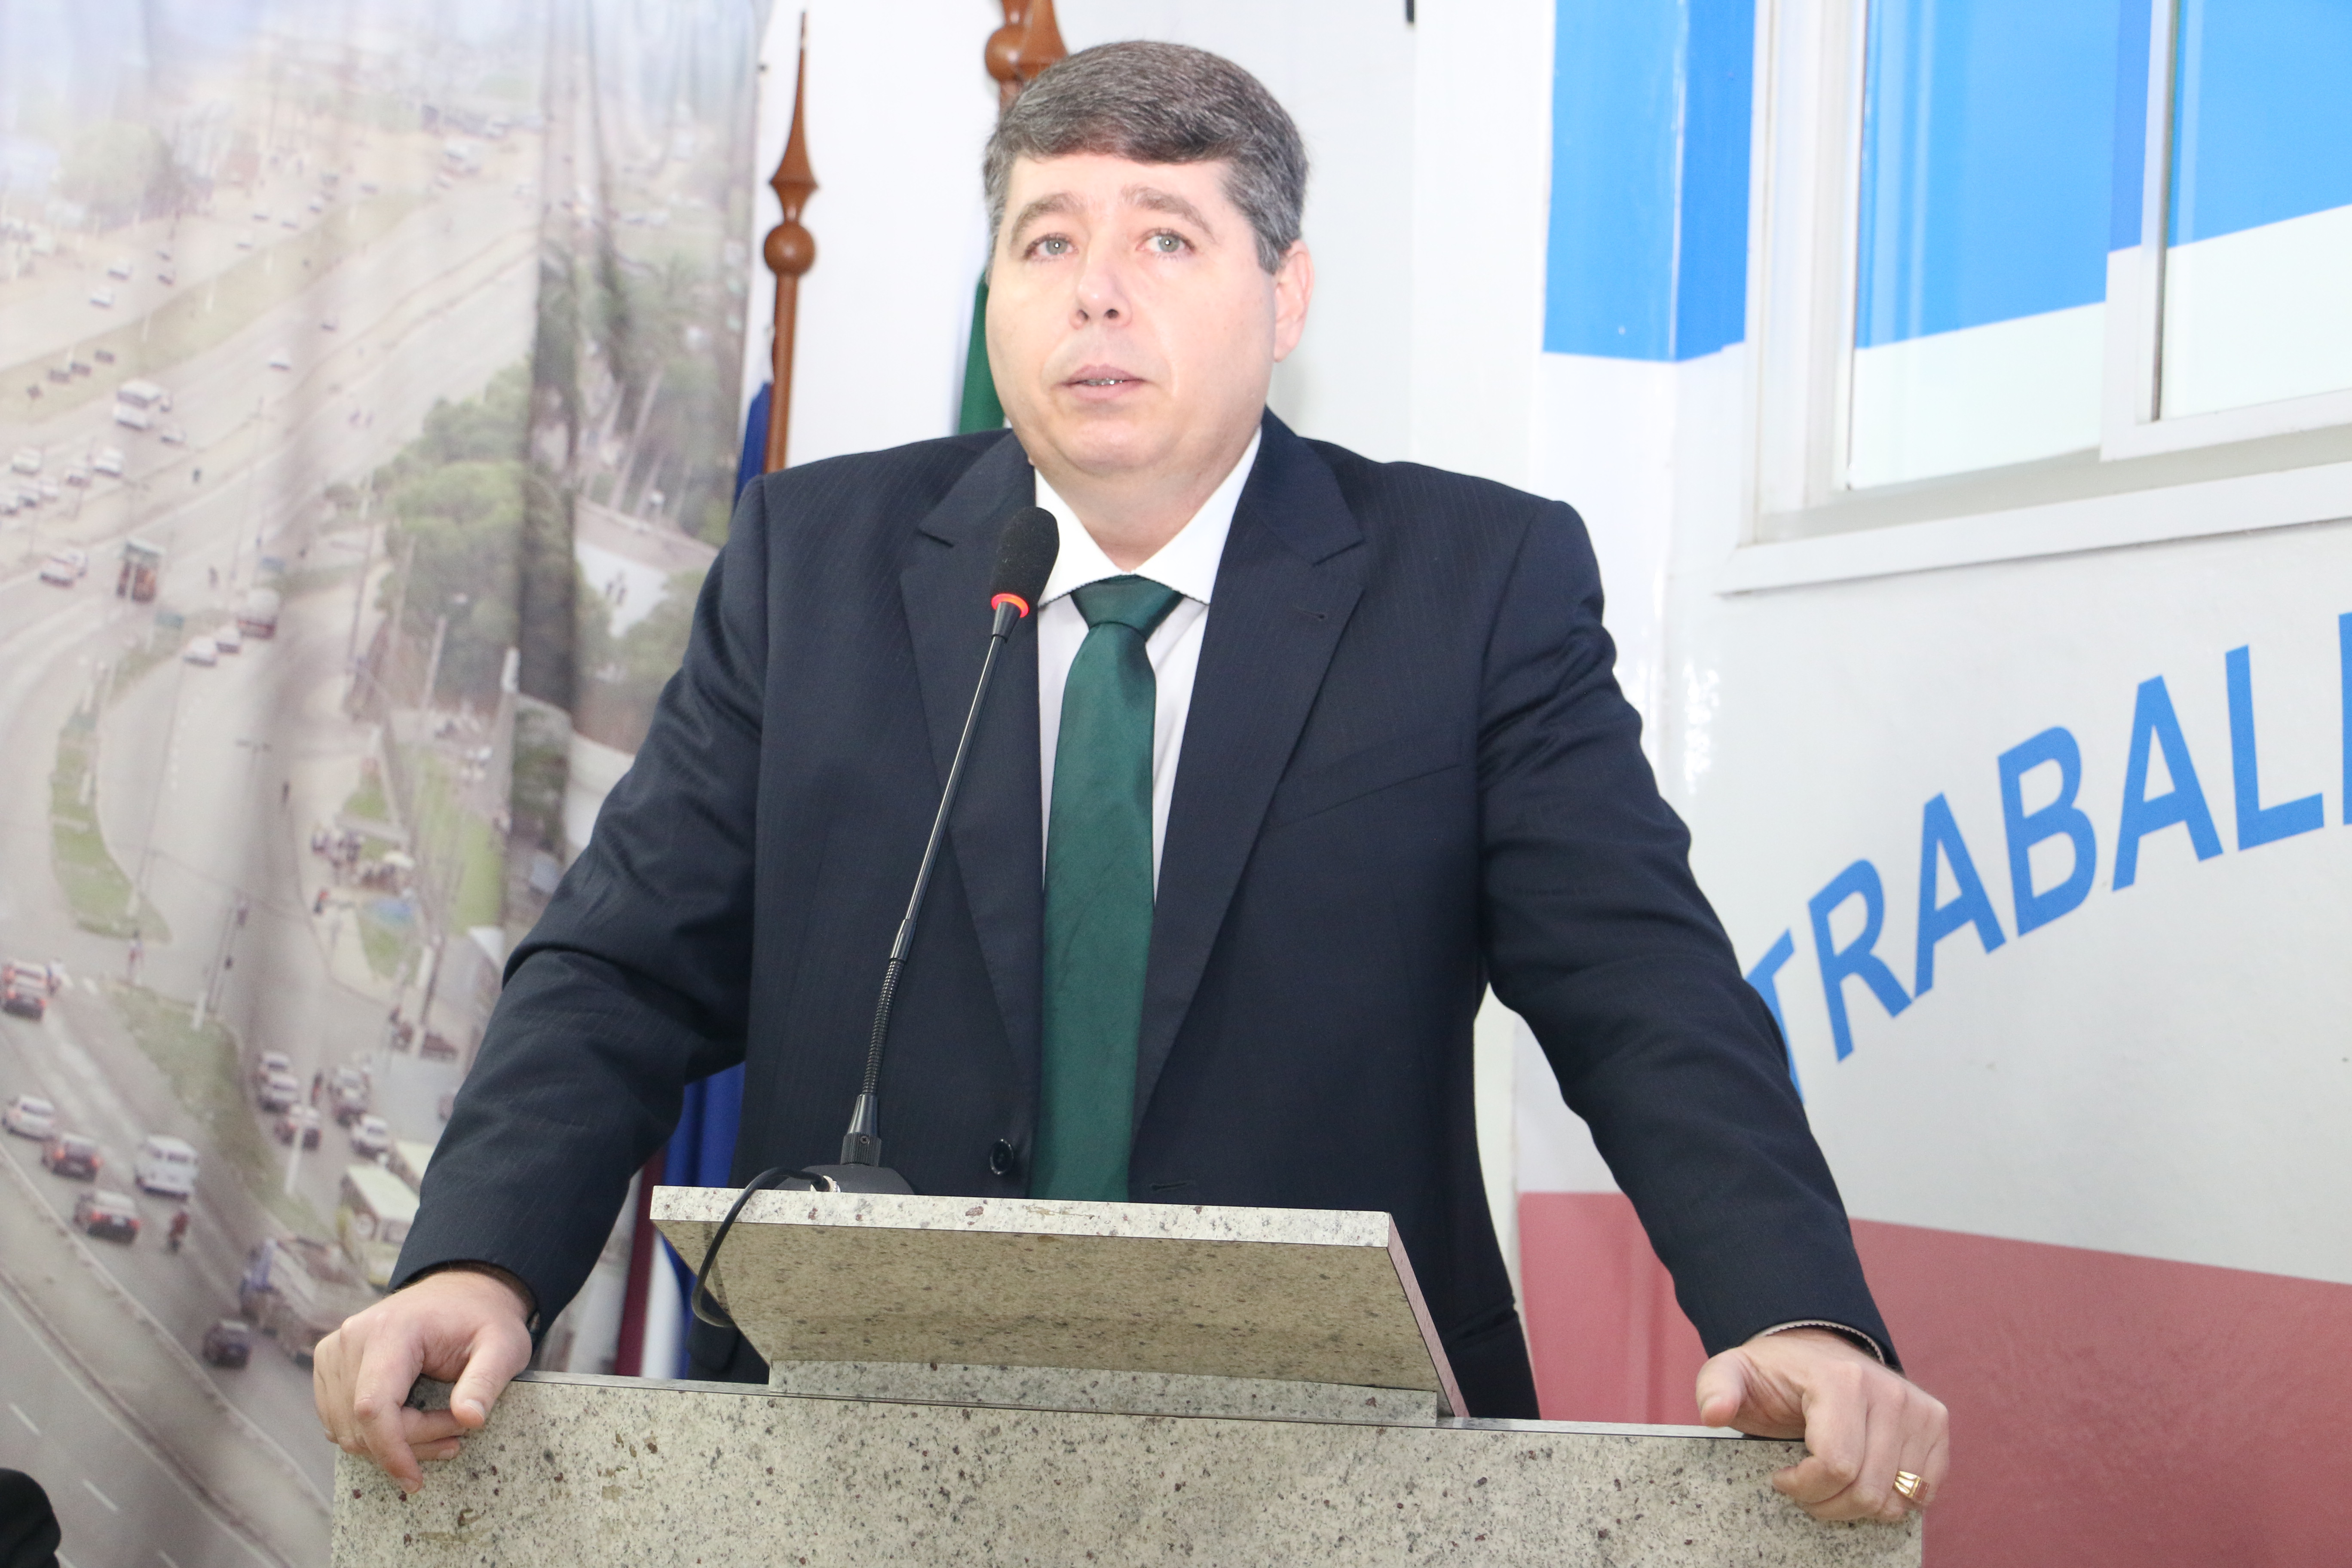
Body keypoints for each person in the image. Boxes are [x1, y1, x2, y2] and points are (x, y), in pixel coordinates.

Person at [316, 42, 1947, 1526]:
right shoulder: (814, 564)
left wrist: (1795, 1310)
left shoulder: (1474, 585)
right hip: (849, 1449)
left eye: (1165, 238)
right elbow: (620, 967)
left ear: (1286, 295)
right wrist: (480, 1260)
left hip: (1337, 1468)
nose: (1095, 294)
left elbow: (1641, 989)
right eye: (1046, 243)